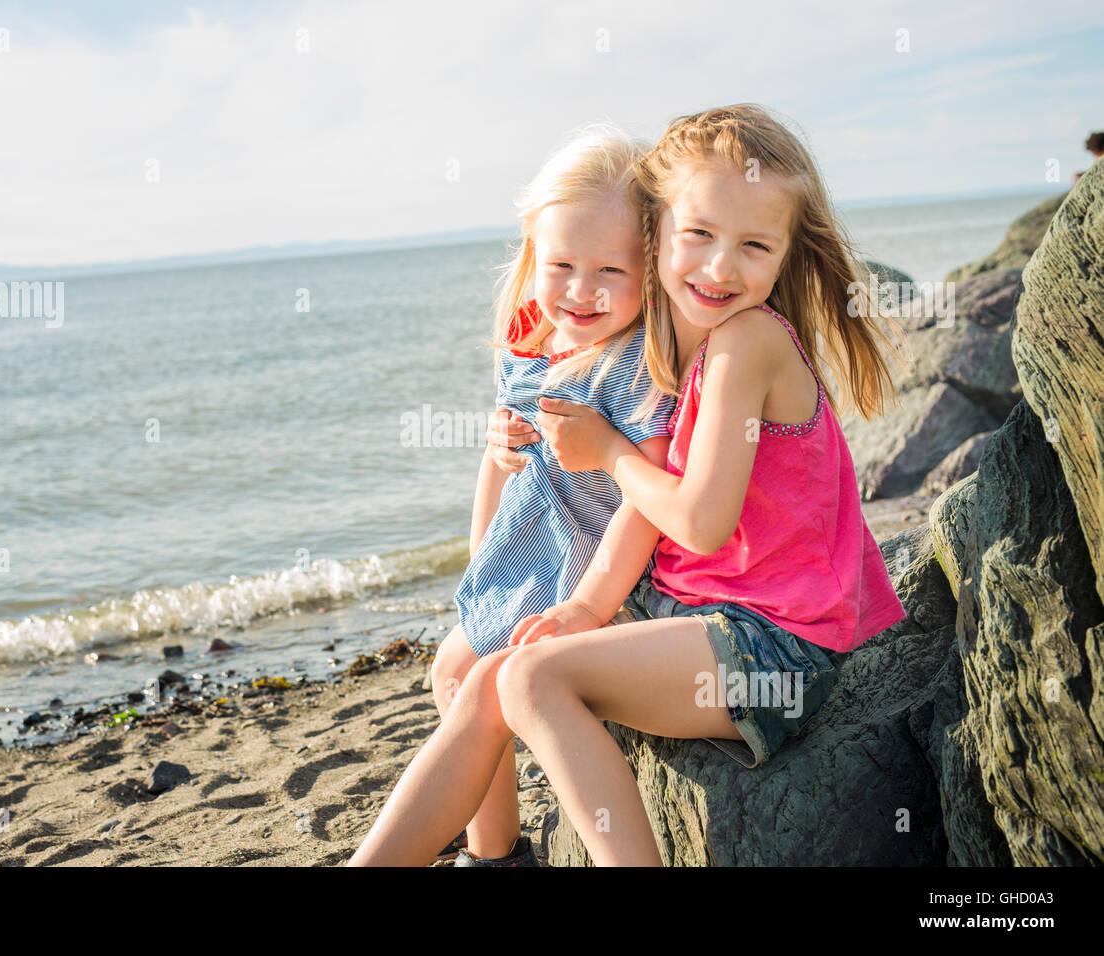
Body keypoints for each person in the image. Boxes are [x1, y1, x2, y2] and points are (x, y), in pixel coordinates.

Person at [349, 103, 908, 867]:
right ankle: (486, 859)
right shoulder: (676, 338)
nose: (718, 267)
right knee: (483, 677)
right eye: (699, 235)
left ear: (786, 252)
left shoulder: (746, 342)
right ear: (660, 236)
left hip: (772, 650)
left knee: (536, 681)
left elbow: (701, 524)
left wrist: (606, 453)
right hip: (688, 616)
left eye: (753, 245)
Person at [429, 125, 676, 867]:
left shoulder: (643, 362)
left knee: (490, 683)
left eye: (611, 269)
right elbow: (504, 466)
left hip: (604, 575)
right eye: (561, 264)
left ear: (653, 268)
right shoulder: (531, 344)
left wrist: (590, 608)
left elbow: (644, 505)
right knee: (450, 670)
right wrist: (479, 565)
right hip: (530, 557)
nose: (581, 289)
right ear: (534, 257)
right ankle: (494, 850)